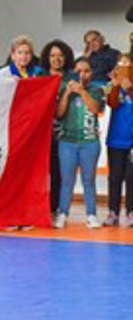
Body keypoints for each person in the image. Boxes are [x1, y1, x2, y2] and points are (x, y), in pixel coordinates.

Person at [54, 58, 105, 229]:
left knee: (88, 180)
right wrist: (67, 93)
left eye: (86, 71)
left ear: (91, 73)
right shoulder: (64, 88)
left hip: (89, 141)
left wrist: (82, 92)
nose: (82, 74)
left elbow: (96, 109)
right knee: (66, 180)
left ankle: (91, 215)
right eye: (79, 71)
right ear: (74, 72)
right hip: (67, 141)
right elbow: (59, 114)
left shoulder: (96, 90)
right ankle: (62, 213)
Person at [40, 40, 76, 215]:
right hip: (41, 135)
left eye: (60, 55)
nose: (56, 59)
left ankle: (54, 208)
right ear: (47, 58)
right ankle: (37, 207)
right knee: (39, 173)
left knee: (58, 173)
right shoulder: (40, 78)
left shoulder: (72, 79)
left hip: (64, 134)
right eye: (53, 55)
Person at [104, 54, 133, 226]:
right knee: (115, 177)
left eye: (127, 64)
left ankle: (131, 212)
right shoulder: (112, 85)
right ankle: (113, 211)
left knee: (132, 177)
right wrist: (116, 86)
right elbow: (112, 103)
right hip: (115, 140)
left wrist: (129, 89)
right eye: (120, 64)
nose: (123, 66)